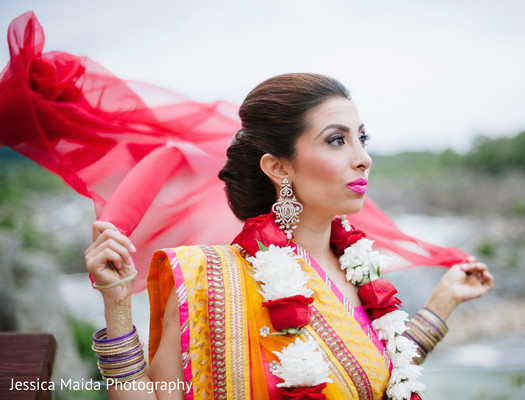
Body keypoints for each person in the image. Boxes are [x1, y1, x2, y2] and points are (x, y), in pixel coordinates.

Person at [85, 73, 494, 400]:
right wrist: (117, 306)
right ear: (279, 168)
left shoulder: (358, 268)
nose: (363, 158)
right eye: (337, 140)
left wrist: (444, 300)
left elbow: (376, 376)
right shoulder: (211, 278)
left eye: (361, 138)